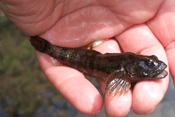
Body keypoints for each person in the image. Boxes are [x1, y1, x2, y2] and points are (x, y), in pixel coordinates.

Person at [0, 0, 174, 116]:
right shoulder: (124, 71)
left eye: (150, 62)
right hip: (84, 57)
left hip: (97, 57)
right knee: (59, 54)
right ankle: (47, 48)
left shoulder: (128, 64)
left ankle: (48, 47)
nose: (155, 65)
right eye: (149, 63)